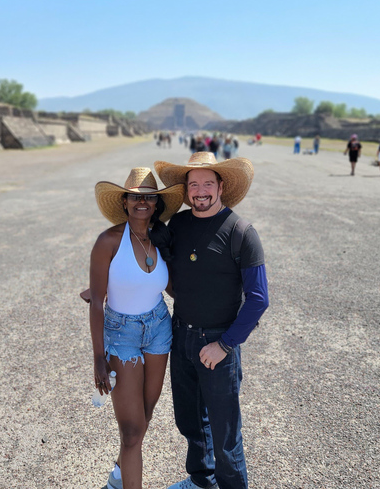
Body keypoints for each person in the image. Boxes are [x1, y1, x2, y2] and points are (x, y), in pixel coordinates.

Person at [153, 152, 269, 489]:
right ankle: (202, 480)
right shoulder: (179, 225)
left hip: (218, 342)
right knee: (190, 420)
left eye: (207, 183)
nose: (200, 191)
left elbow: (259, 299)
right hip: (182, 336)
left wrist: (225, 344)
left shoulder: (242, 233)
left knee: (225, 433)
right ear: (186, 190)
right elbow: (167, 272)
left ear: (221, 186)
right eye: (194, 184)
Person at [87, 168, 185, 489]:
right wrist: (99, 357)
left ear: (156, 204)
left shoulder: (161, 238)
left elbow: (170, 288)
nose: (142, 202)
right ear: (125, 202)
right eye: (135, 196)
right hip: (121, 334)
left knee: (144, 416)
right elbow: (97, 301)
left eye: (149, 197)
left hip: (158, 327)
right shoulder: (108, 242)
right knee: (131, 431)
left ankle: (118, 476)